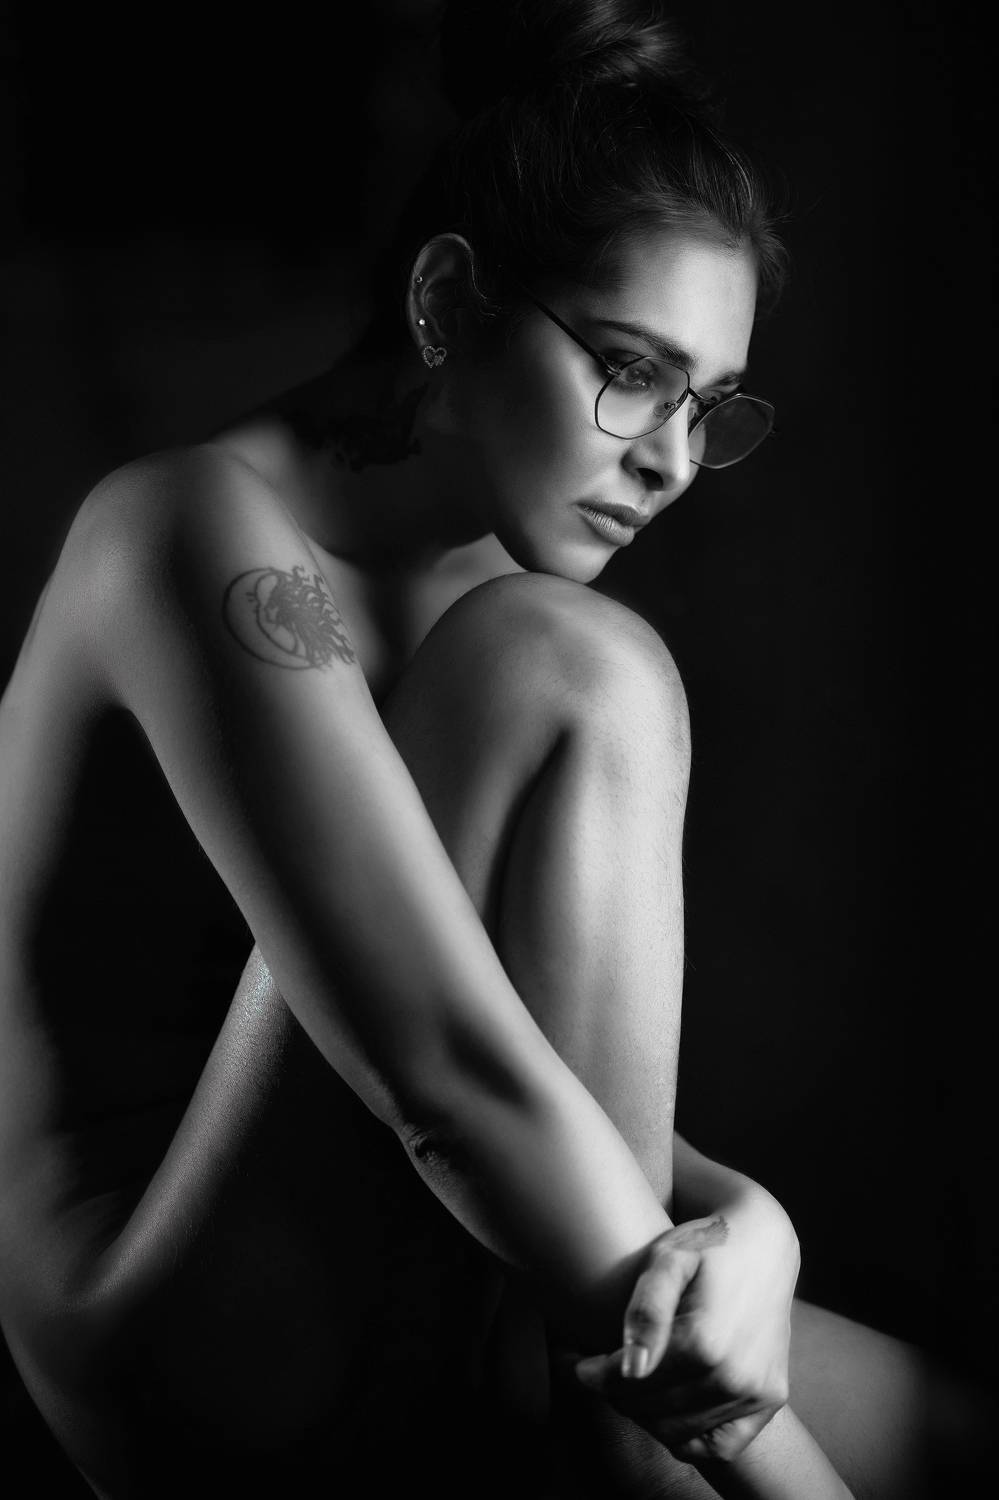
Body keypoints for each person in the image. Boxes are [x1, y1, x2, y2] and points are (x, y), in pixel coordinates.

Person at [0, 3, 981, 1496]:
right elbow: (448, 1079)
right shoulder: (194, 535)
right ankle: (632, 1454)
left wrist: (752, 1228)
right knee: (575, 662)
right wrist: (760, 1454)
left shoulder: (479, 596)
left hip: (393, 1243)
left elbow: (537, 1068)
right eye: (632, 369)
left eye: (709, 406)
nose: (671, 459)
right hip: (180, 1337)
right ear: (452, 301)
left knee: (957, 1435)